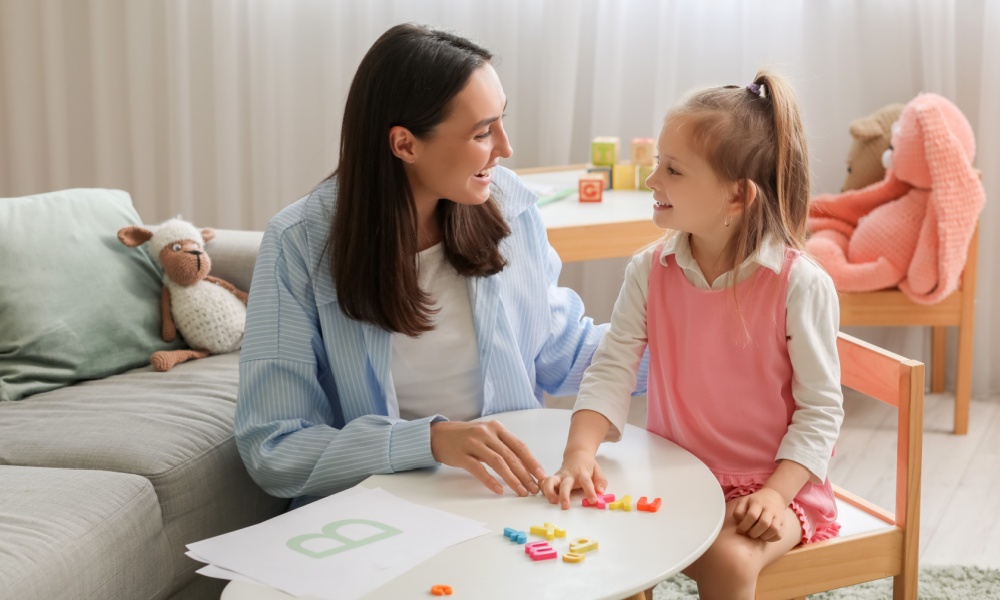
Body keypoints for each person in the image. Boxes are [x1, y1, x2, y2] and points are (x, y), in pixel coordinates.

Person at [235, 23, 636, 507]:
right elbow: (272, 448)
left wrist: (695, 332)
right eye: (483, 132)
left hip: (506, 495)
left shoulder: (509, 206)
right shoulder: (299, 243)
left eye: (501, 122)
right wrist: (429, 441)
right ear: (405, 144)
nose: (506, 148)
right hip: (377, 508)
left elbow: (558, 352)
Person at [540, 71, 844, 599]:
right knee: (605, 525)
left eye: (673, 169)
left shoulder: (798, 285)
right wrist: (579, 451)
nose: (654, 179)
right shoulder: (649, 269)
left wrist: (775, 494)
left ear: (737, 197)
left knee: (728, 559)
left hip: (774, 485)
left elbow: (820, 410)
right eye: (658, 162)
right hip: (676, 473)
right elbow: (612, 367)